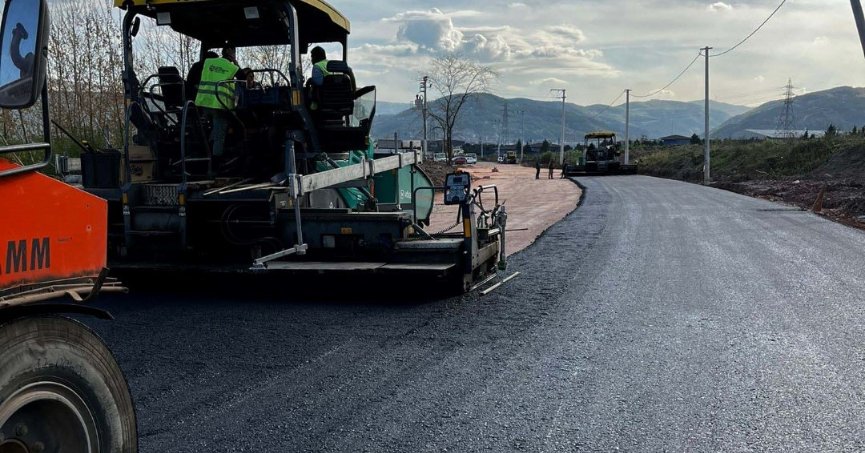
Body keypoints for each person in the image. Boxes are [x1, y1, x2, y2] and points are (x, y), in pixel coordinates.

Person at [194, 47, 239, 157]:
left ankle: (206, 150)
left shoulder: (207, 63)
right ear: (231, 53)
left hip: (203, 103)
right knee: (220, 135)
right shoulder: (231, 67)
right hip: (219, 105)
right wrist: (235, 61)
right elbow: (242, 76)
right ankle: (216, 160)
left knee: (211, 130)